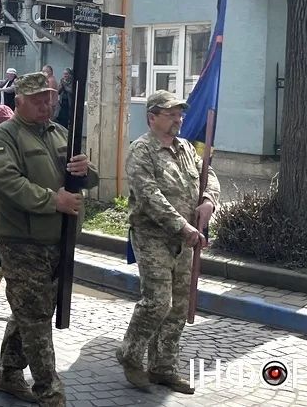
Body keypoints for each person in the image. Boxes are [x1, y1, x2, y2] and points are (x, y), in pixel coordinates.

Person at [0, 71, 98, 406]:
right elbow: (8, 184)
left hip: (57, 239)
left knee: (32, 310)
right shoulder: (5, 137)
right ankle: (49, 391)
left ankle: (8, 372)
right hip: (22, 241)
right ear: (18, 101)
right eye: (37, 99)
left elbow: (86, 179)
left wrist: (85, 171)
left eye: (49, 97)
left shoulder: (59, 132)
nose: (45, 104)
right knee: (35, 317)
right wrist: (54, 201)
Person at [116, 90, 220, 395]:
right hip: (152, 236)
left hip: (186, 239)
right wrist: (184, 226)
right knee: (158, 301)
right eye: (171, 114)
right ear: (152, 118)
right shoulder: (141, 150)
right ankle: (131, 355)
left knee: (179, 305)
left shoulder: (186, 148)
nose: (178, 119)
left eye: (180, 114)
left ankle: (163, 367)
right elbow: (150, 197)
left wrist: (208, 201)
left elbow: (208, 175)